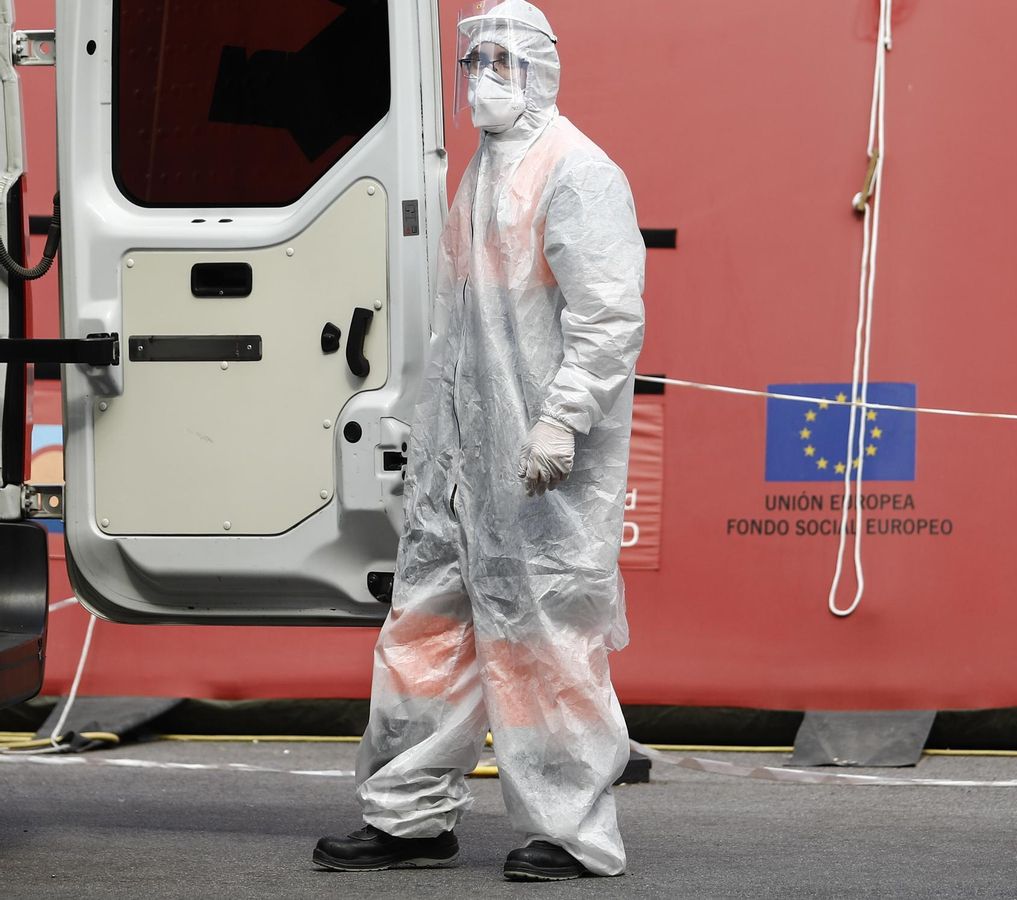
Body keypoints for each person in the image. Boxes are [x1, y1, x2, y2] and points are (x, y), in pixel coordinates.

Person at [313, 0, 646, 882]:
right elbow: (465, 332)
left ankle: (572, 834)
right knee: (423, 630)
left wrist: (560, 419)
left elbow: (608, 320)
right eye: (471, 63)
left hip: (541, 470)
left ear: (539, 70)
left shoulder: (578, 172)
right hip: (460, 465)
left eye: (500, 61)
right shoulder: (482, 173)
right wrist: (439, 449)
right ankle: (408, 818)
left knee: (548, 644)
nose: (480, 80)